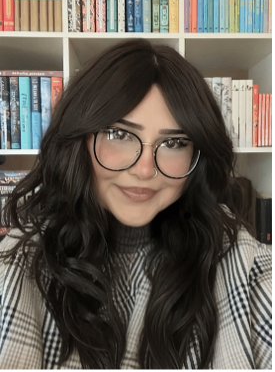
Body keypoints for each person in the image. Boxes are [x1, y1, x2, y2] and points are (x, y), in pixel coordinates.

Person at [0, 39, 272, 370]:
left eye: (173, 143)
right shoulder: (23, 256)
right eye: (119, 134)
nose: (144, 170)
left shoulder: (238, 258)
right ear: (79, 140)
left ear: (197, 155)